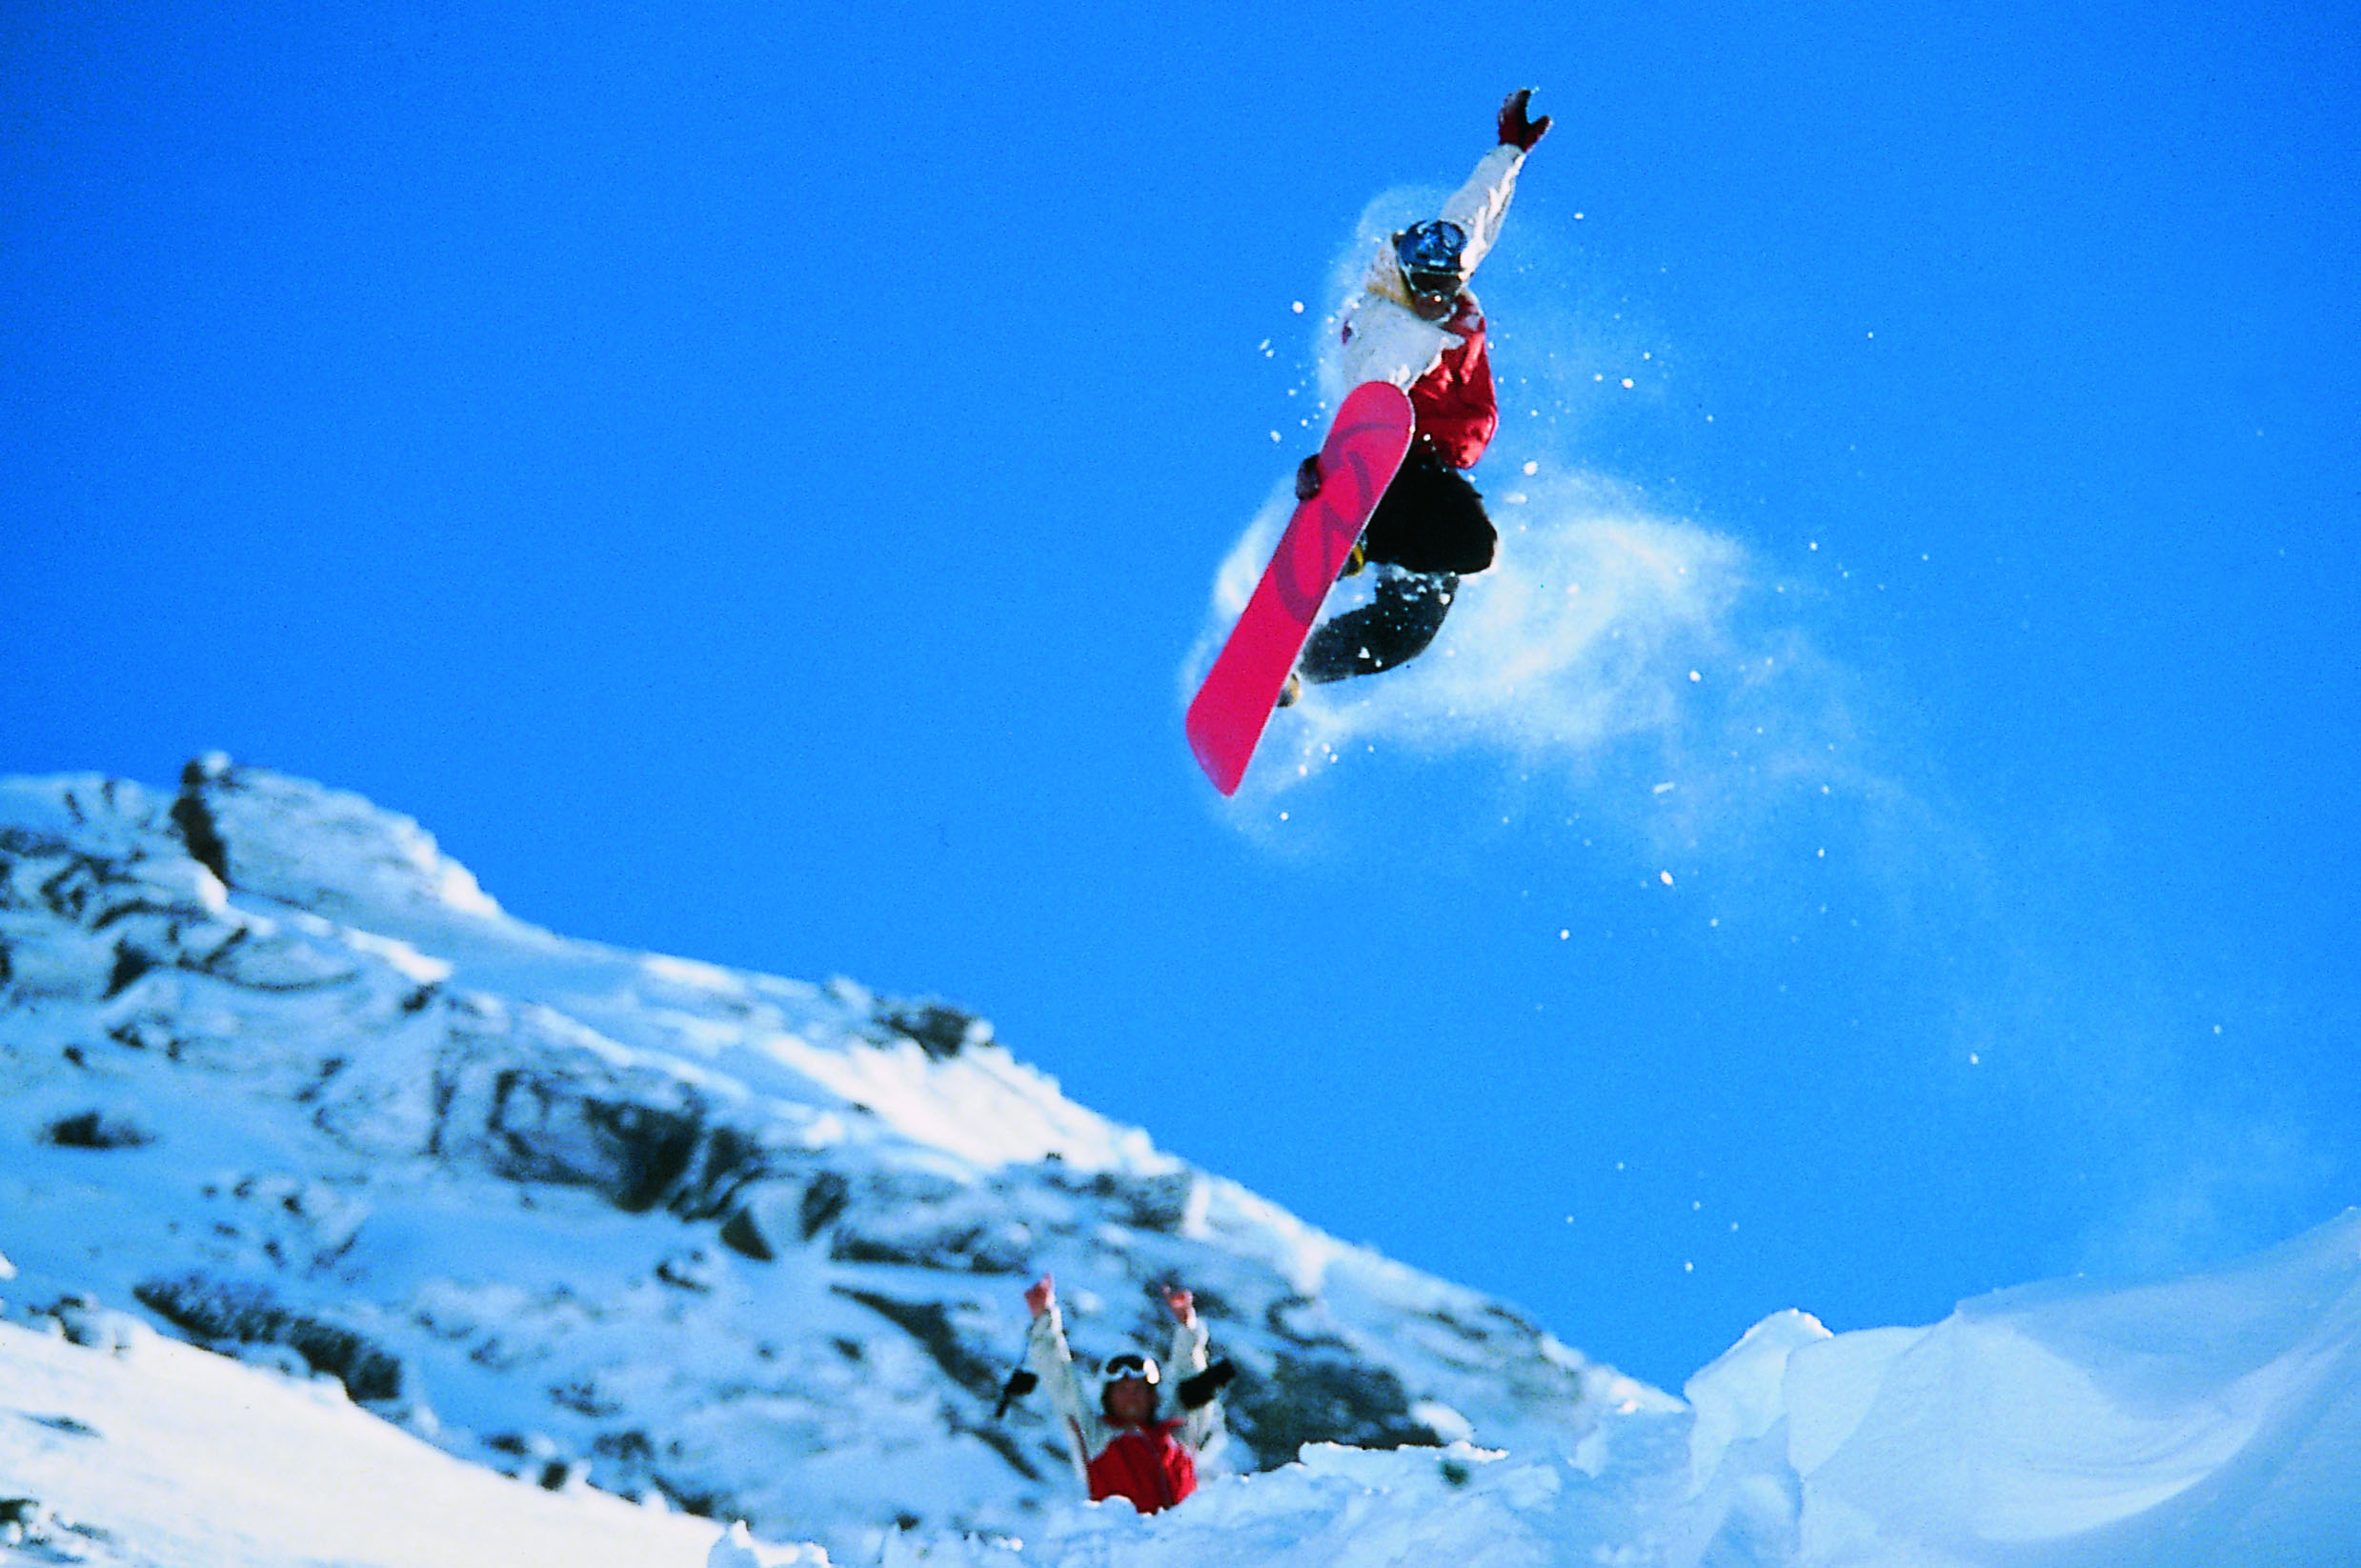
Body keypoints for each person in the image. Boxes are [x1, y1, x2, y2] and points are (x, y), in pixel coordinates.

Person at [1282, 89, 1551, 704]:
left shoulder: (1447, 265)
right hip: (1397, 470)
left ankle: (1297, 668)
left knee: (1406, 634)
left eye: (1446, 287)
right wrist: (1332, 480)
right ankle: (1368, 537)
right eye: (1426, 290)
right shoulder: (1393, 332)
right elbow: (1369, 397)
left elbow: (1477, 211)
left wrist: (1509, 148)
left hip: (1433, 473)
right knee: (1473, 547)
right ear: (1404, 279)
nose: (1439, 300)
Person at [1022, 1273, 1232, 1515]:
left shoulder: (1179, 1434)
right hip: (1127, 1547)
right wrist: (1043, 1319)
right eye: (1122, 1389)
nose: (1131, 1394)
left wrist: (1187, 1328)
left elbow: (1190, 1376)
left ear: (1153, 1396)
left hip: (1183, 1545)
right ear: (1107, 1398)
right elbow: (1060, 1379)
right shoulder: (1095, 1438)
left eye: (1138, 1388)